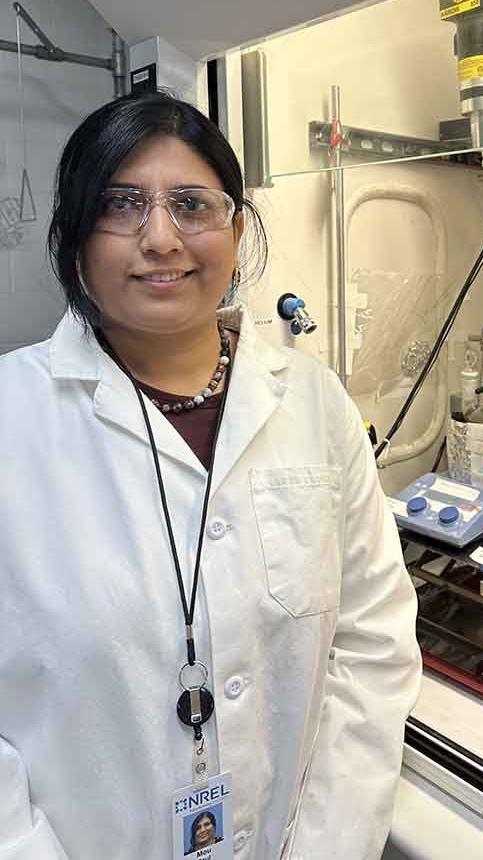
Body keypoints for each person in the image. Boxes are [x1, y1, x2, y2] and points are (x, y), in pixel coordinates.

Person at [0, 91, 421, 860]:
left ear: (235, 229)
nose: (161, 238)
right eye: (122, 205)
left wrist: (327, 845)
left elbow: (371, 643)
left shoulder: (315, 403)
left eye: (192, 205)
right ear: (74, 239)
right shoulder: (11, 420)